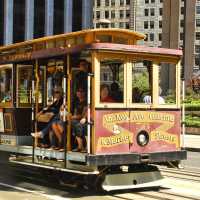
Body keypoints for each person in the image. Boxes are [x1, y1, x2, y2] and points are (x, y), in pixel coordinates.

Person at [70, 87, 87, 152]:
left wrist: (73, 117)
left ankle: (80, 146)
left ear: (84, 93)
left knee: (75, 124)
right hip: (76, 119)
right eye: (78, 91)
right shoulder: (76, 102)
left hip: (83, 120)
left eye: (81, 91)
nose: (80, 93)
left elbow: (83, 115)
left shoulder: (86, 102)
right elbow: (74, 112)